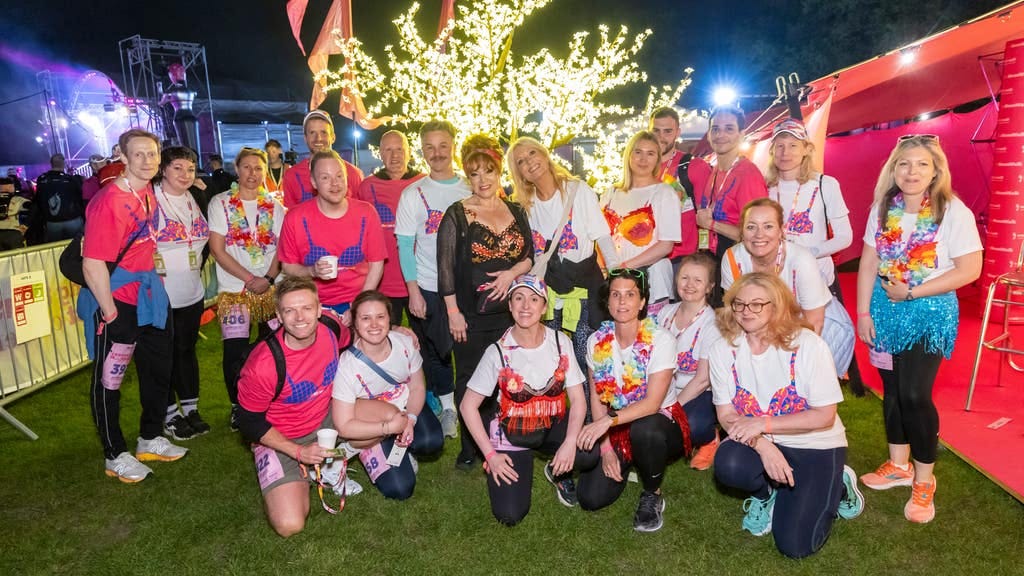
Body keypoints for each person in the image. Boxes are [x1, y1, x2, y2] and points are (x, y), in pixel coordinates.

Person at [856, 134, 982, 523]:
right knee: (892, 390)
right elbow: (868, 261)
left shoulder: (953, 211)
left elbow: (970, 269)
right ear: (893, 169)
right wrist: (863, 312)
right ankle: (899, 465)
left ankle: (925, 480)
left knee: (914, 394)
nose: (912, 172)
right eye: (904, 164)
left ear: (935, 171)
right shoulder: (882, 208)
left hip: (928, 310)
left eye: (921, 164)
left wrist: (912, 292)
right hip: (885, 308)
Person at [710, 272, 864, 558]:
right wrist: (763, 444)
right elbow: (726, 413)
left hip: (814, 443)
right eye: (739, 304)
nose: (746, 312)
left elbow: (824, 416)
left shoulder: (808, 345)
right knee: (729, 464)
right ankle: (766, 494)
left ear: (777, 306)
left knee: (795, 546)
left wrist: (764, 423)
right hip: (760, 441)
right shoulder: (723, 349)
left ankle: (838, 484)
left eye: (757, 304)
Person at [78, 129, 186, 483]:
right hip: (117, 300)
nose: (147, 161)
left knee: (159, 367)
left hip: (149, 296)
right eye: (137, 154)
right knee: (110, 379)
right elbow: (93, 263)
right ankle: (115, 453)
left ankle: (151, 436)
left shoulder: (147, 193)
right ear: (122, 158)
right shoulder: (110, 201)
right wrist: (109, 314)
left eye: (152, 154)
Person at [462, 275, 598, 524]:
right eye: (519, 298)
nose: (526, 306)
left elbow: (578, 400)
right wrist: (490, 455)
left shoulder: (560, 342)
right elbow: (467, 405)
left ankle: (558, 470)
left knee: (589, 451)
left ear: (544, 306)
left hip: (552, 425)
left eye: (534, 299)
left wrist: (569, 442)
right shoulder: (498, 352)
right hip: (514, 435)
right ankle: (527, 462)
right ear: (510, 306)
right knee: (510, 515)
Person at [438, 133, 534, 470]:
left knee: (506, 377)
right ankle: (470, 449)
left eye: (488, 172)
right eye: (475, 173)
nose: (482, 180)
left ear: (498, 173)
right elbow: (445, 269)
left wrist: (510, 275)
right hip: (470, 315)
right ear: (467, 176)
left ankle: (500, 437)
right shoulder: (457, 214)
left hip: (511, 314)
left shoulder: (515, 209)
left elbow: (529, 257)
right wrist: (453, 313)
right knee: (469, 378)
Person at [236, 275, 353, 537]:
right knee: (290, 525)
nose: (300, 317)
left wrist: (396, 331)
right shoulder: (263, 364)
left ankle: (331, 466)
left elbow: (356, 340)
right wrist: (297, 452)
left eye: (307, 308)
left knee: (388, 416)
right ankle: (298, 465)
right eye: (290, 310)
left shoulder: (331, 328)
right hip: (283, 436)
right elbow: (249, 422)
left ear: (320, 309)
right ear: (278, 315)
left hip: (326, 418)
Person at [575, 268, 691, 532]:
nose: (622, 301)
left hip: (659, 422)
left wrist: (606, 423)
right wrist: (605, 449)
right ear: (607, 302)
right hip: (616, 425)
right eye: (615, 294)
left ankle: (652, 492)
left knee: (645, 429)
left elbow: (652, 403)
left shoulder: (661, 340)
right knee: (590, 499)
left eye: (630, 294)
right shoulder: (596, 341)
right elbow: (597, 396)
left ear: (642, 302)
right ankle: (626, 461)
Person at [508, 136, 613, 411]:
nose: (530, 162)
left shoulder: (577, 191)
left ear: (544, 153)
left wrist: (616, 278)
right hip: (548, 294)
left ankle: (594, 422)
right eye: (521, 161)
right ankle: (552, 417)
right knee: (550, 358)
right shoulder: (524, 205)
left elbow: (602, 237)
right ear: (517, 171)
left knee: (586, 357)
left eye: (532, 153)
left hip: (583, 290)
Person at [395, 120, 470, 438]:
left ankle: (474, 407)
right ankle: (447, 406)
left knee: (470, 350)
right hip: (428, 286)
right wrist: (413, 290)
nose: (437, 153)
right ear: (422, 150)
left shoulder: (471, 187)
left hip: (468, 288)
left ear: (453, 145)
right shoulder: (413, 194)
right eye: (430, 147)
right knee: (437, 352)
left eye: (443, 145)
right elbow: (404, 245)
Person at [331, 290, 443, 500]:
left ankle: (402, 447)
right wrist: (387, 428)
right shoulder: (347, 365)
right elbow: (343, 425)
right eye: (365, 318)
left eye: (380, 317)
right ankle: (358, 448)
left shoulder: (404, 343)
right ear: (354, 323)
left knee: (430, 441)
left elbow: (418, 387)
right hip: (373, 419)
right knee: (400, 489)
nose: (374, 324)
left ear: (389, 319)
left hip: (404, 406)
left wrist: (410, 420)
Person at [208, 147, 285, 429]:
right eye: (247, 167)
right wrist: (250, 279)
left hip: (269, 290)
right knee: (235, 352)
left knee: (274, 348)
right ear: (237, 169)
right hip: (235, 291)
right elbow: (217, 249)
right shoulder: (220, 203)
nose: (253, 174)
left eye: (258, 168)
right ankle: (237, 406)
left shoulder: (275, 206)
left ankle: (271, 401)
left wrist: (268, 278)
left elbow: (282, 249)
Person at [278, 150, 385, 319]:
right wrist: (312, 271)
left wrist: (359, 306)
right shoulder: (295, 218)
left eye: (339, 176)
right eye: (325, 178)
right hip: (313, 304)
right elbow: (288, 266)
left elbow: (376, 264)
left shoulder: (366, 212)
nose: (335, 184)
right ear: (313, 182)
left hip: (358, 298)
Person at [153, 146, 211, 440]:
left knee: (186, 351)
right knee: (163, 355)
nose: (185, 174)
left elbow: (207, 241)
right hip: (159, 295)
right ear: (163, 169)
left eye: (190, 168)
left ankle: (190, 407)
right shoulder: (149, 199)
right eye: (177, 168)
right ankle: (168, 413)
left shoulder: (197, 197)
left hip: (191, 291)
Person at [721, 198, 832, 334]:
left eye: (768, 226)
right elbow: (734, 313)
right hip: (758, 332)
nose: (759, 234)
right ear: (742, 232)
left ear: (781, 231)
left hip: (803, 329)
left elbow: (815, 322)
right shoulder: (733, 258)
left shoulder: (802, 261)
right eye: (751, 227)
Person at [600, 131, 681, 316]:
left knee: (647, 340)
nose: (643, 159)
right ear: (629, 155)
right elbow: (599, 236)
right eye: (638, 152)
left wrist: (624, 267)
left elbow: (666, 245)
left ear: (657, 159)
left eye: (650, 153)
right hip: (614, 283)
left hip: (652, 282)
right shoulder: (610, 193)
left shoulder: (664, 193)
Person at [653, 252, 722, 470]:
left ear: (709, 287)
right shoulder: (665, 312)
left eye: (698, 280)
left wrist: (671, 408)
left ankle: (710, 437)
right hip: (664, 385)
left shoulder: (712, 324)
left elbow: (702, 380)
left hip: (699, 392)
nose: (689, 284)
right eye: (684, 278)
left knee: (691, 425)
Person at [355, 130, 425, 318]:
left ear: (408, 152)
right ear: (380, 153)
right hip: (383, 280)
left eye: (399, 149)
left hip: (420, 280)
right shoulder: (367, 187)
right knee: (385, 337)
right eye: (388, 150)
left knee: (427, 342)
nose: (394, 156)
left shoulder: (423, 182)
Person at [694, 105, 768, 261]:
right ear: (708, 135)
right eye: (715, 129)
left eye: (729, 129)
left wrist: (712, 225)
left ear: (742, 135)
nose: (720, 135)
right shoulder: (714, 170)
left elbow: (758, 234)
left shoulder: (747, 175)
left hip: (743, 260)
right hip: (717, 258)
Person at [650, 107, 703, 268]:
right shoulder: (641, 167)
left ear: (678, 132)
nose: (661, 137)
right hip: (647, 256)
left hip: (682, 259)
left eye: (667, 131)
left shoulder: (693, 166)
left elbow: (705, 215)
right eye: (656, 131)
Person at [282, 110, 362, 208]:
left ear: (333, 137)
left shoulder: (353, 174)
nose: (318, 138)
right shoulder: (292, 176)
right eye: (312, 133)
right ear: (305, 138)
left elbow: (359, 214)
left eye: (324, 132)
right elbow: (290, 216)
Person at [36, 153, 85, 242]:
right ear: (63, 163)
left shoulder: (42, 179)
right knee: (76, 247)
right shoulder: (71, 179)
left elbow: (38, 200)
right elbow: (80, 196)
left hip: (52, 222)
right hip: (72, 220)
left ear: (51, 164)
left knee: (56, 250)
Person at [0, 177, 31, 251]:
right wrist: (26, 224)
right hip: (13, 234)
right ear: (10, 187)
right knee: (18, 259)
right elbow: (34, 207)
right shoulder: (17, 199)